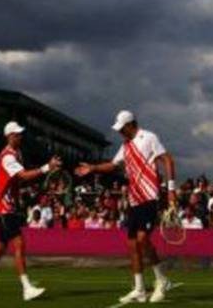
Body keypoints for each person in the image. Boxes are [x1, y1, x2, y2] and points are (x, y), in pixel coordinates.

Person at [75, 110, 176, 304]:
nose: (120, 132)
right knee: (132, 245)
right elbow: (113, 165)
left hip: (149, 197)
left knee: (143, 239)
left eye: (122, 128)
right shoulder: (126, 145)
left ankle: (161, 280)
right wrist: (94, 168)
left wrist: (171, 189)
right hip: (134, 200)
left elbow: (168, 160)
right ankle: (139, 289)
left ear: (131, 125)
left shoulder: (149, 137)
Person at [0, 121, 61, 301]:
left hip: (10, 205)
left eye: (20, 133)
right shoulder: (8, 157)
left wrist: (22, 191)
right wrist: (47, 167)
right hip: (3, 206)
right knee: (19, 243)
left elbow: (19, 180)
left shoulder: (17, 154)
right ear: (9, 136)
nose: (20, 136)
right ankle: (26, 287)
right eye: (16, 134)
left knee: (0, 246)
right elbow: (22, 175)